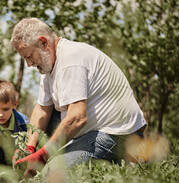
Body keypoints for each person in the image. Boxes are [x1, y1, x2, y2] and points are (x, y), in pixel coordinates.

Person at [10, 18, 147, 174]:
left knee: (51, 172)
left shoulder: (71, 60)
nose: (29, 64)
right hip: (93, 132)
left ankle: (130, 161)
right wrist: (29, 148)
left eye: (29, 57)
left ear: (43, 43)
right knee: (50, 119)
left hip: (119, 135)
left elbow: (77, 118)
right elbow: (42, 109)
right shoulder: (49, 66)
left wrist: (41, 157)